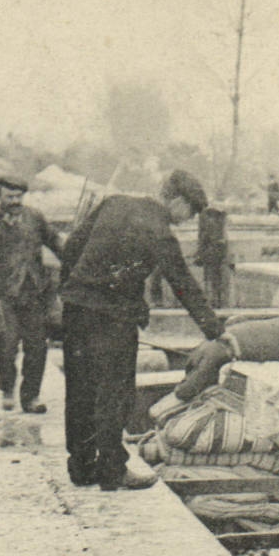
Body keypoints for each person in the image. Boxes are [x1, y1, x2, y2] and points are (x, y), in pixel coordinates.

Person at [59, 170, 223, 490]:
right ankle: (112, 471)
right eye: (189, 211)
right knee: (114, 393)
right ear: (175, 201)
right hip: (113, 318)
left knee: (79, 389)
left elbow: (72, 247)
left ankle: (80, 467)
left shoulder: (113, 203)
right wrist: (215, 331)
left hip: (76, 309)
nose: (187, 220)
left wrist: (73, 288)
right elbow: (183, 285)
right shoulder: (159, 231)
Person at [0, 175, 62, 414]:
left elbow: (56, 242)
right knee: (7, 347)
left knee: (37, 347)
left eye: (19, 196)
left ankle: (31, 397)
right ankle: (7, 389)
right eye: (10, 197)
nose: (15, 201)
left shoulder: (35, 218)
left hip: (34, 293)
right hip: (2, 296)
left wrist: (73, 260)